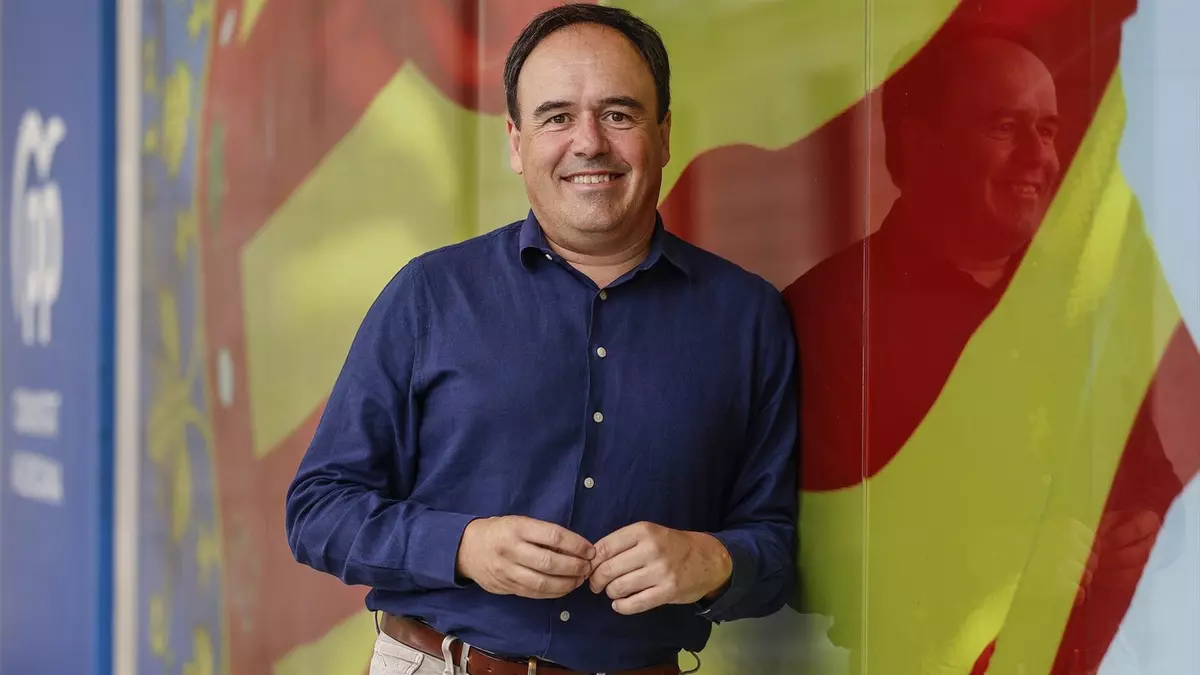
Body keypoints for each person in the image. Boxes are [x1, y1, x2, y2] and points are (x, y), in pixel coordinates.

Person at [284, 4, 799, 674]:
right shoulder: (429, 295)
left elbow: (776, 545)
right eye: (557, 116)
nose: (589, 142)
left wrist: (716, 561)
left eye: (619, 114)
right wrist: (464, 545)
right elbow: (319, 510)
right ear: (516, 141)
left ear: (665, 134)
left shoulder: (748, 318)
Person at [783, 26, 1181, 675]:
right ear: (919, 143)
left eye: (1047, 130)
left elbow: (1152, 476)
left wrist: (1148, 524)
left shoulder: (1082, 303)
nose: (1038, 156)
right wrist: (988, 555)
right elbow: (795, 552)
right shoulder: (824, 315)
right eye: (1004, 127)